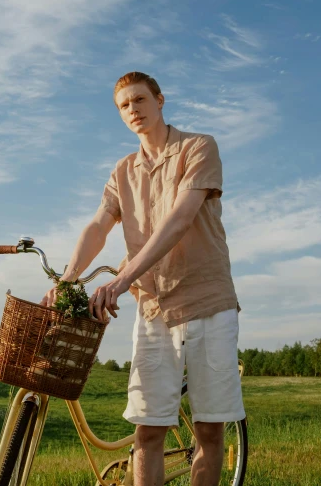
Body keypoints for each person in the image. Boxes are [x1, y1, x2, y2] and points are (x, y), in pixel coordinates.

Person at [41, 71, 245, 486]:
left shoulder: (198, 147)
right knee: (148, 430)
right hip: (154, 308)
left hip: (207, 300)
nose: (132, 110)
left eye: (139, 100)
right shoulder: (123, 171)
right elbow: (99, 226)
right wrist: (67, 278)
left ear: (160, 100)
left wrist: (120, 279)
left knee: (208, 428)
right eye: (123, 105)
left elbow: (179, 221)